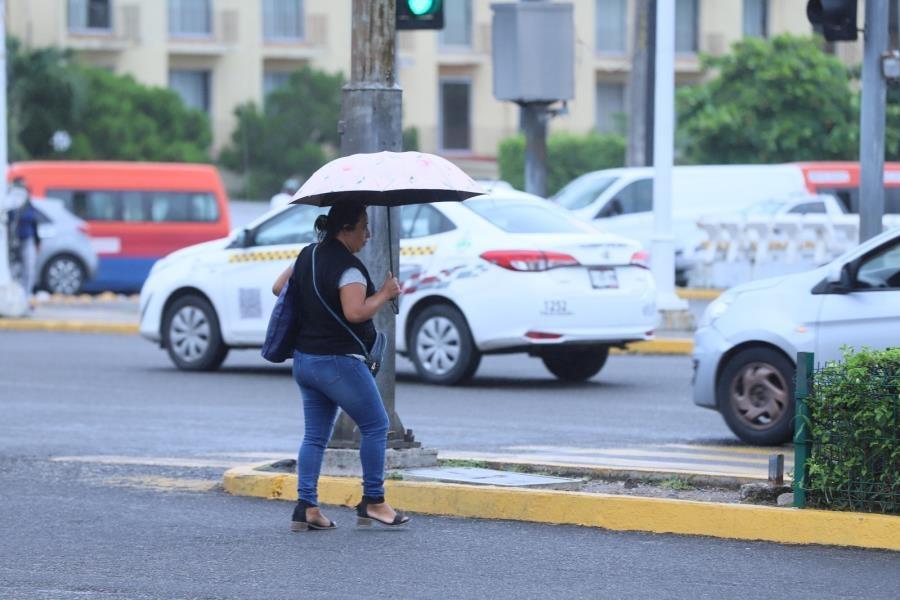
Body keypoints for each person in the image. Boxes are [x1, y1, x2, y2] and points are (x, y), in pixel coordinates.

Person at [272, 199, 407, 531]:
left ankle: (307, 507)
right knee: (375, 425)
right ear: (346, 228)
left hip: (305, 361)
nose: (369, 234)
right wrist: (386, 293)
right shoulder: (349, 268)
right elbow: (355, 312)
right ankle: (373, 501)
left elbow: (279, 288)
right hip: (337, 362)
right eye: (363, 226)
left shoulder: (308, 254)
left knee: (315, 436)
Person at [7, 185, 40, 308]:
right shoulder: (11, 209)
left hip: (28, 241)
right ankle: (15, 296)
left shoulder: (30, 208)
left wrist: (37, 243)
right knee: (14, 271)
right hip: (14, 243)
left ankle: (26, 297)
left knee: (29, 269)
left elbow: (35, 225)